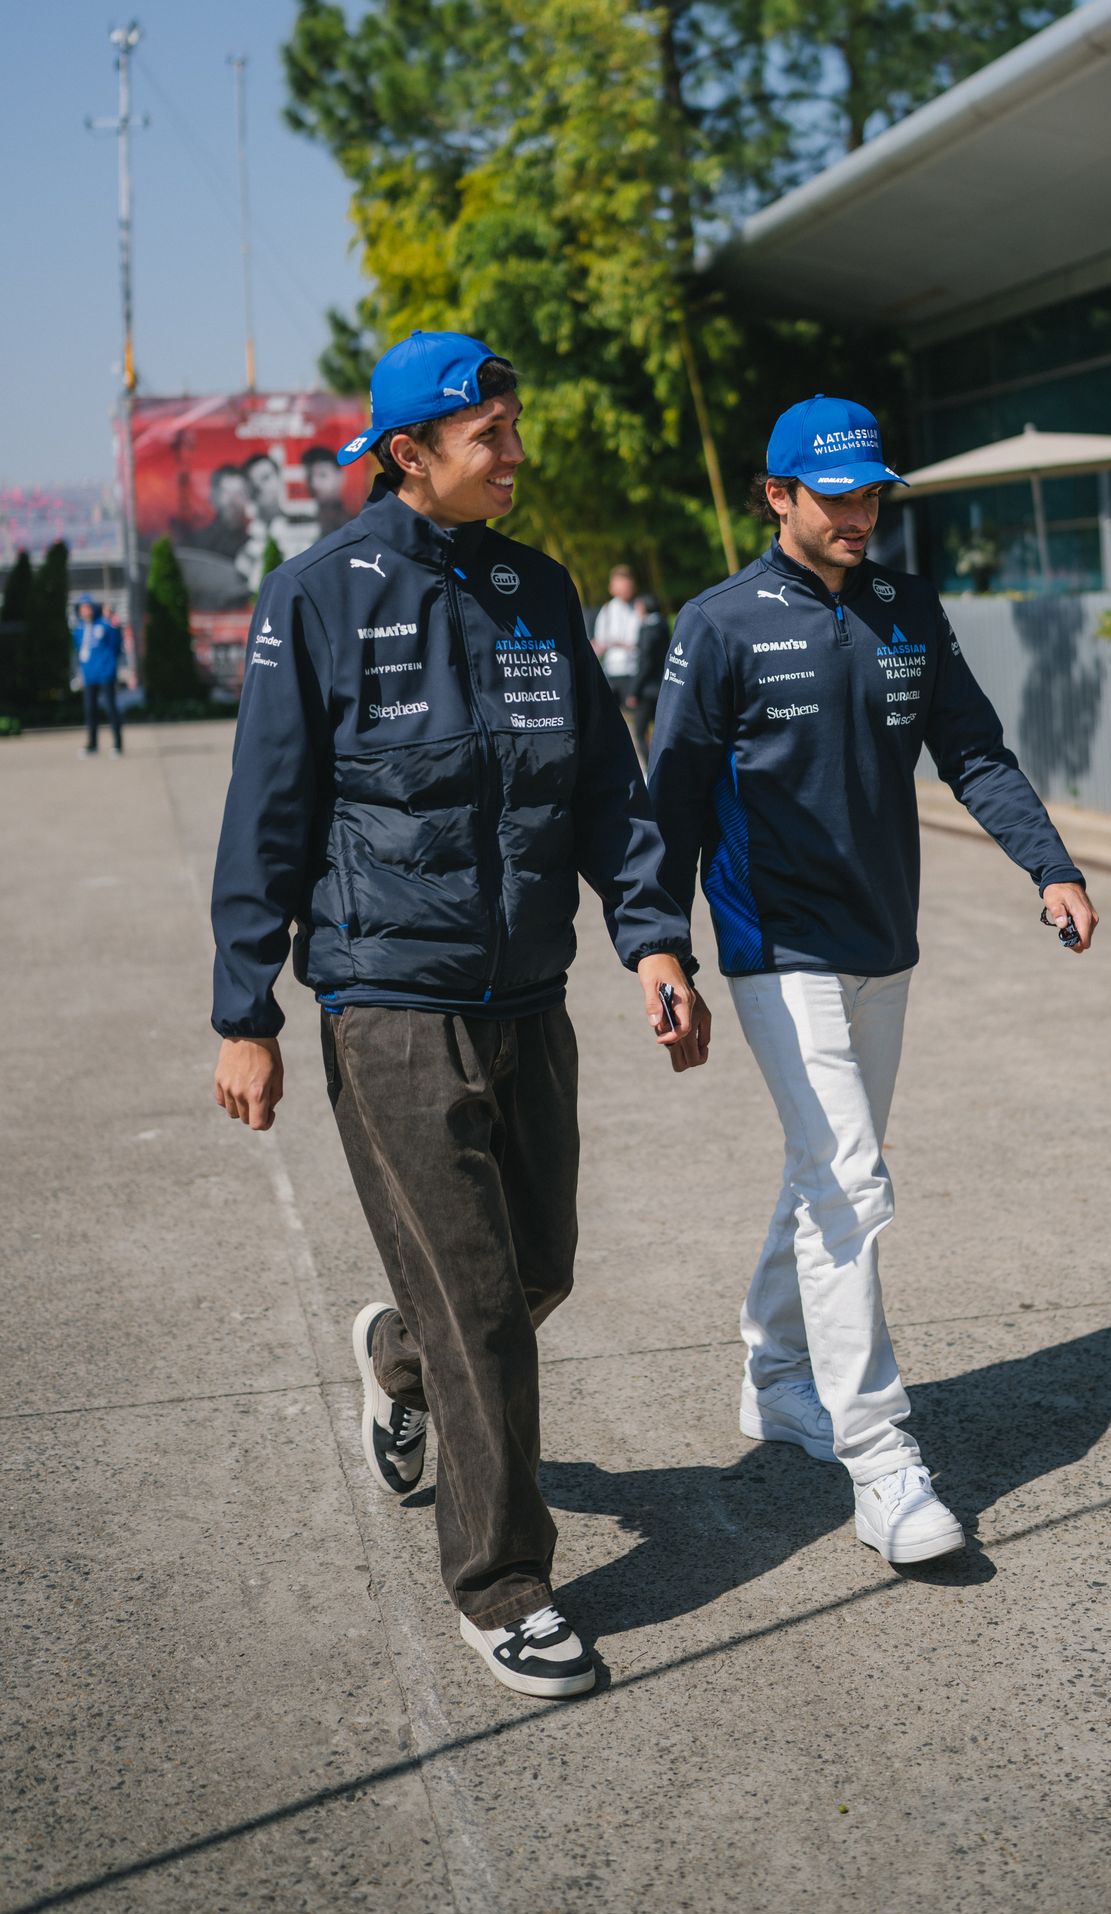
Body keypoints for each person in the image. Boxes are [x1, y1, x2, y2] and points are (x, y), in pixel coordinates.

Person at [210, 329, 710, 1702]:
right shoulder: (317, 596)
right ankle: (505, 1587)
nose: (517, 452)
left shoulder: (536, 588)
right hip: (387, 1002)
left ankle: (395, 1355)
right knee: (483, 1308)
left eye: (514, 425)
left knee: (537, 1267)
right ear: (406, 454)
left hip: (528, 995)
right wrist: (244, 1011)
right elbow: (266, 814)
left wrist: (653, 941)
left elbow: (605, 788)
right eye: (491, 434)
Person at [647, 394, 1097, 1568]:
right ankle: (879, 1458)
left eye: (871, 495)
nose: (859, 515)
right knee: (848, 1182)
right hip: (775, 943)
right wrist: (660, 947)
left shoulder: (906, 607)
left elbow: (973, 752)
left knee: (825, 1172)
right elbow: (671, 799)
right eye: (835, 496)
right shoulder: (718, 624)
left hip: (881, 940)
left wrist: (1047, 865)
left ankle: (773, 1372)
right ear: (776, 496)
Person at [72, 598, 124, 756]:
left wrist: (110, 665)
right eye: (82, 608)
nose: (84, 611)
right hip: (89, 675)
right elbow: (79, 650)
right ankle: (92, 744)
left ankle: (117, 744)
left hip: (105, 673)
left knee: (110, 707)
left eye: (87, 607)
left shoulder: (104, 625)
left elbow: (116, 645)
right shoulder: (79, 629)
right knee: (90, 710)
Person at [628, 593, 670, 765]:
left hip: (647, 689)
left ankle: (651, 767)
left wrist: (633, 690)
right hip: (664, 684)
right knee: (662, 730)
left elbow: (645, 662)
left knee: (639, 732)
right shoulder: (663, 625)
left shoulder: (648, 629)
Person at [592, 563, 641, 703]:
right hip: (611, 671)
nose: (623, 590)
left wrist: (615, 643)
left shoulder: (640, 608)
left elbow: (641, 642)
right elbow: (599, 642)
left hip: (634, 671)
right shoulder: (607, 610)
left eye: (626, 586)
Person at [187, 465, 252, 560]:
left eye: (239, 493)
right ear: (214, 497)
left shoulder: (254, 541)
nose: (232, 500)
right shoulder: (197, 542)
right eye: (227, 493)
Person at [300, 445, 350, 537]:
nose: (314, 484)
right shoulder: (301, 523)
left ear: (340, 476)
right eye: (309, 476)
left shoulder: (354, 523)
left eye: (322, 475)